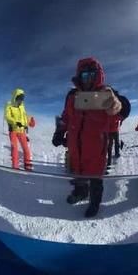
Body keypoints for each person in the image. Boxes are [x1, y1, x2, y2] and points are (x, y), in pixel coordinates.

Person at [52, 57, 122, 218]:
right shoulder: (72, 96)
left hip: (96, 148)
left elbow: (116, 117)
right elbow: (66, 117)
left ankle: (95, 203)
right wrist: (59, 132)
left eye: (92, 75)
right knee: (78, 173)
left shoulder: (106, 95)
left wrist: (116, 107)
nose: (88, 79)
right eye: (85, 76)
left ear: (98, 75)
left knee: (96, 178)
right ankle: (81, 193)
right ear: (80, 77)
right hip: (75, 146)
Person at [4, 88, 32, 171]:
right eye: (20, 98)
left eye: (22, 99)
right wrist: (15, 122)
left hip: (21, 131)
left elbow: (24, 117)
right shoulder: (9, 104)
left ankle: (28, 166)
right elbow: (7, 116)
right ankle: (15, 166)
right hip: (13, 130)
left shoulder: (22, 106)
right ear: (15, 97)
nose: (21, 100)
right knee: (15, 148)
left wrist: (29, 122)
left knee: (26, 149)